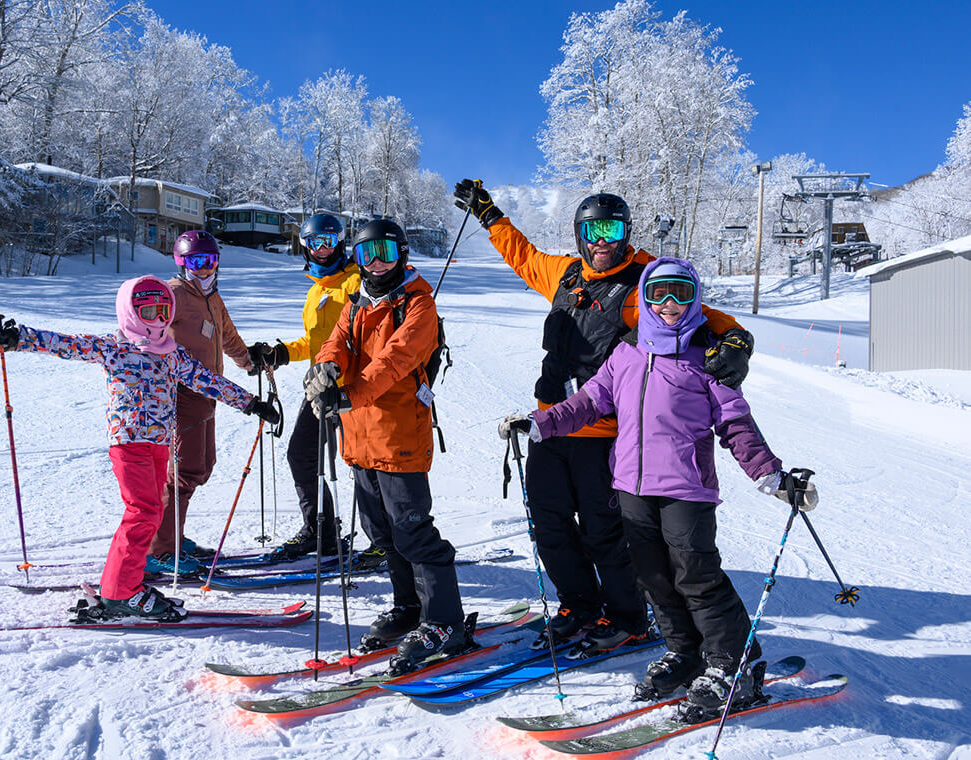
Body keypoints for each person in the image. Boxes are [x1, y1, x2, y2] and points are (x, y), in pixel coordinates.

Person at [499, 257, 817, 720]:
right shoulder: (627, 352)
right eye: (658, 293)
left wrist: (770, 475)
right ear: (645, 298)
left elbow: (735, 422)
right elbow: (589, 401)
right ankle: (685, 652)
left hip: (686, 487)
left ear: (695, 298)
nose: (669, 303)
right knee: (651, 576)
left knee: (696, 576)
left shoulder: (708, 356)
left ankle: (732, 665)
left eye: (680, 293)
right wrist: (539, 423)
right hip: (631, 484)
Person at [457, 179, 754, 652]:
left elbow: (694, 309)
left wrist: (736, 338)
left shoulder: (642, 280)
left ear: (626, 232)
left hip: (607, 432)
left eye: (611, 229)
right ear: (579, 234)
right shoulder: (565, 274)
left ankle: (627, 616)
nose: (602, 241)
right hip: (553, 422)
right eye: (592, 230)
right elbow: (523, 256)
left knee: (605, 532)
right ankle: (578, 605)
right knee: (549, 524)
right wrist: (490, 216)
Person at [0, 275, 280, 619]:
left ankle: (123, 584)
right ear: (130, 312)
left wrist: (250, 403)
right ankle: (121, 593)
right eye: (148, 311)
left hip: (158, 446)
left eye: (164, 311)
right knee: (143, 513)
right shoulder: (115, 348)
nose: (158, 319)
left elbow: (206, 380)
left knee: (149, 514)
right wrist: (18, 338)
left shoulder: (171, 353)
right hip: (129, 443)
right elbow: (67, 344)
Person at [302, 219, 466, 663]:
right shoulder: (356, 301)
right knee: (382, 533)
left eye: (385, 253)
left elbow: (395, 359)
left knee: (412, 530)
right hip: (359, 438)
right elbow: (336, 342)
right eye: (366, 254)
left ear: (402, 254)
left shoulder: (418, 305)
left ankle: (445, 621)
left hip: (399, 436)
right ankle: (409, 606)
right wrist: (327, 369)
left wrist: (347, 396)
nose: (376, 263)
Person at [246, 213, 377, 562]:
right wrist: (282, 353)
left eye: (329, 241)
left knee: (364, 463)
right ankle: (322, 532)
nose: (322, 249)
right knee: (302, 454)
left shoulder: (355, 281)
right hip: (321, 388)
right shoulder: (317, 289)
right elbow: (316, 341)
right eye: (314, 243)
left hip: (354, 389)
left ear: (340, 242)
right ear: (304, 246)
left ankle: (384, 541)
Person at [149, 230, 254, 574]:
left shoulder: (213, 297)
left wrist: (249, 362)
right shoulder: (174, 294)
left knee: (202, 465)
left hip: (208, 394)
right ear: (182, 263)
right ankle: (161, 549)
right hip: (182, 394)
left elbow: (228, 335)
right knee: (183, 472)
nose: (204, 268)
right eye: (196, 262)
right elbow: (145, 328)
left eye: (210, 261)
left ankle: (172, 536)